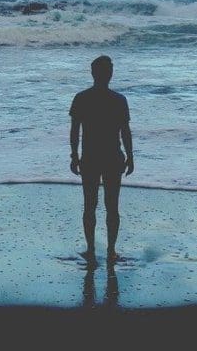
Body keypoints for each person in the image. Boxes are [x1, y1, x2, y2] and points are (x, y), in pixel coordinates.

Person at [69, 55, 134, 263]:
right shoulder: (119, 100)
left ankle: (90, 249)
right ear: (110, 74)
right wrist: (131, 156)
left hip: (90, 158)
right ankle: (111, 251)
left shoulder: (82, 97)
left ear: (92, 73)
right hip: (113, 157)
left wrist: (74, 155)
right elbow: (125, 132)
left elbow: (74, 131)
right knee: (112, 207)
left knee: (90, 205)